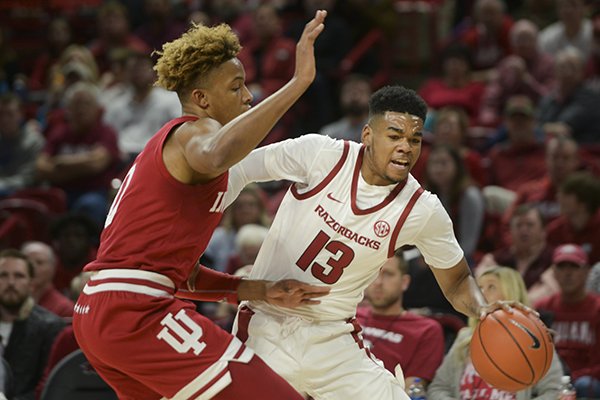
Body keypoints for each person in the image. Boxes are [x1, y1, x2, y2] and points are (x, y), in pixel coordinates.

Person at [212, 85, 533, 399]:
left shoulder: (422, 209)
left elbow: (458, 279)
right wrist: (205, 218)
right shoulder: (321, 155)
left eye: (415, 140)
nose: (406, 147)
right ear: (367, 135)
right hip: (266, 322)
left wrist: (484, 309)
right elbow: (241, 168)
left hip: (332, 337)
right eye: (394, 136)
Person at [72, 11, 330, 400]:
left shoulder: (167, 150)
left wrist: (259, 290)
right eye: (236, 87)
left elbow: (183, 276)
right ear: (201, 99)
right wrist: (297, 84)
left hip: (98, 312)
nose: (248, 97)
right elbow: (215, 153)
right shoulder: (194, 132)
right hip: (136, 312)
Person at [428, 266, 563, 400]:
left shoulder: (533, 337)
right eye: (479, 287)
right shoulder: (465, 338)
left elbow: (554, 392)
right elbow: (438, 388)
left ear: (511, 294)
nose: (481, 293)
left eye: (491, 287)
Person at [357, 250, 445, 388]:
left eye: (388, 274)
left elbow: (412, 390)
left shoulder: (426, 330)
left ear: (404, 282)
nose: (378, 282)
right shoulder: (349, 315)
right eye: (373, 274)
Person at [534, 244, 600, 398]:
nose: (567, 273)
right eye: (562, 267)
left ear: (586, 272)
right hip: (550, 380)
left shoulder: (597, 309)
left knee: (584, 385)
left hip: (586, 383)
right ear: (554, 273)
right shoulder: (542, 307)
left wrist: (572, 378)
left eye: (574, 267)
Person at [0, 249, 66, 400]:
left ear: (31, 284)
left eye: (19, 276)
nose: (11, 283)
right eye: (3, 275)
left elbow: (51, 385)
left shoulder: (50, 327)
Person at [20, 241, 74, 318]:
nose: (32, 267)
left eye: (39, 262)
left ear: (53, 267)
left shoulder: (65, 309)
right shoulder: (9, 303)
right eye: (27, 262)